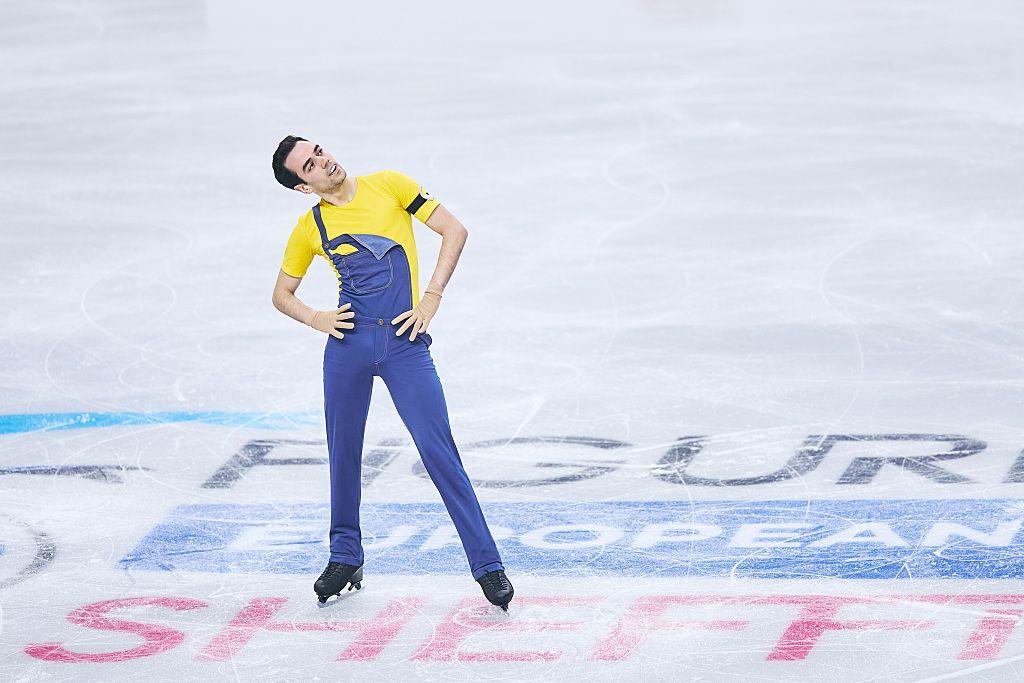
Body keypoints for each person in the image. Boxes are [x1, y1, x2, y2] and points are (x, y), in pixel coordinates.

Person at [269, 135, 514, 610]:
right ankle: (345, 556)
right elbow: (282, 294)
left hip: (405, 345)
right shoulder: (311, 226)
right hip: (348, 347)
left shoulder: (389, 185)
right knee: (344, 453)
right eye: (310, 165)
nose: (324, 161)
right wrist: (317, 318)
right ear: (304, 187)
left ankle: (487, 564)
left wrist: (431, 298)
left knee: (439, 453)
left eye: (318, 150)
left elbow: (454, 231)